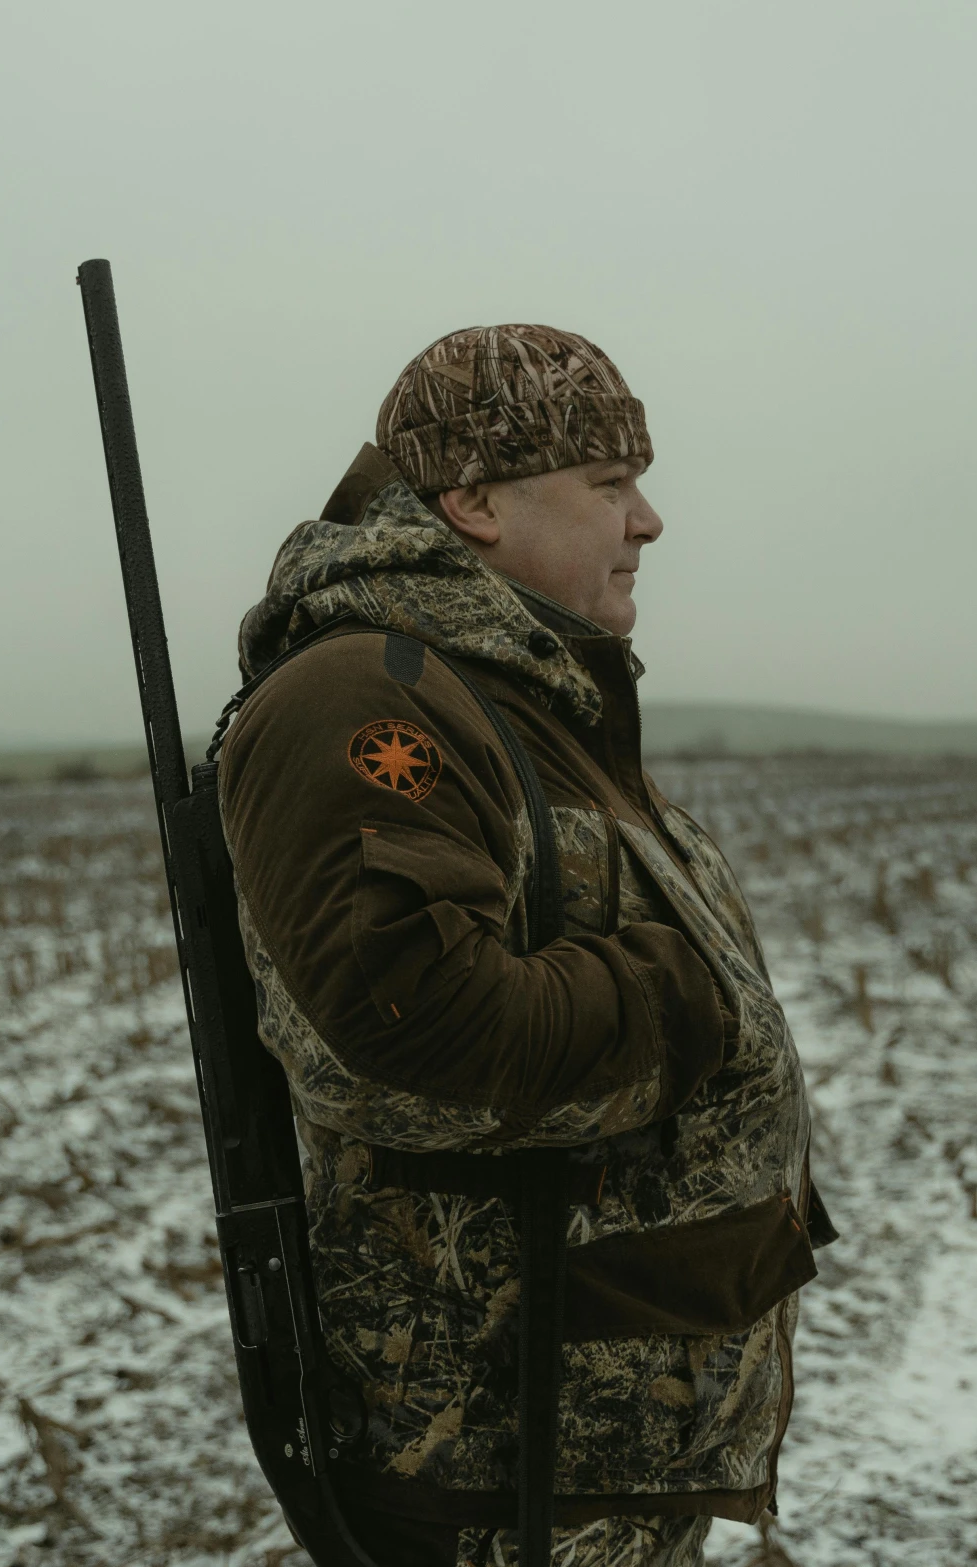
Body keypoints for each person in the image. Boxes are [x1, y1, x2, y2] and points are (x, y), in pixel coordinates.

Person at [220, 325, 831, 1567]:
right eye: (608, 486)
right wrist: (689, 995)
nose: (648, 522)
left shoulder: (519, 695)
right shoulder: (364, 695)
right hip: (500, 1466)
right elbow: (409, 1037)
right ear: (474, 502)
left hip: (591, 1443)